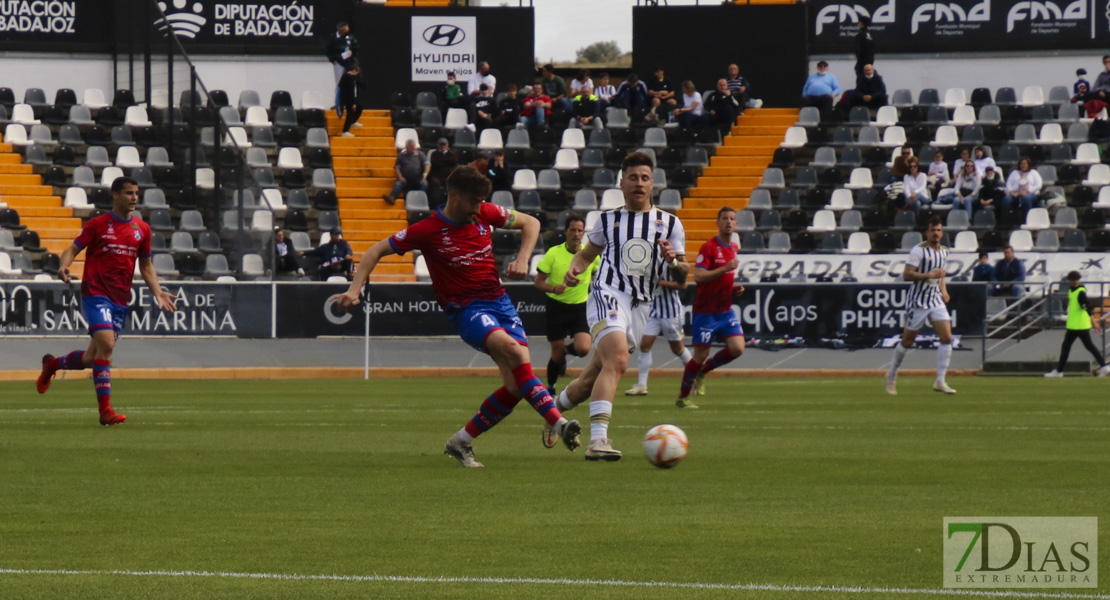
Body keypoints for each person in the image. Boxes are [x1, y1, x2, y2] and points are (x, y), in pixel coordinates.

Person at [336, 166, 582, 467]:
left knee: (517, 386)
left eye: (482, 202)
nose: (479, 208)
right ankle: (559, 422)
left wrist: (522, 258)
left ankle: (461, 442)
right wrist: (354, 289)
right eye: (474, 201)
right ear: (455, 196)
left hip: (501, 304)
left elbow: (530, 222)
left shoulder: (483, 212)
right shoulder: (426, 230)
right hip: (467, 309)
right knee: (516, 353)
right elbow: (375, 250)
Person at [545, 152, 688, 461]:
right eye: (633, 177)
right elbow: (585, 255)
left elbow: (683, 276)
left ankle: (552, 413)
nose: (639, 183)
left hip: (641, 306)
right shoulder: (608, 220)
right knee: (619, 359)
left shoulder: (670, 224)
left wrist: (673, 260)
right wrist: (575, 269)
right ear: (621, 182)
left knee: (589, 381)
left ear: (653, 184)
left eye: (645, 178)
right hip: (608, 293)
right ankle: (598, 441)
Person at [36, 177, 178, 425]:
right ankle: (105, 411)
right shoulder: (98, 224)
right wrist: (64, 265)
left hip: (120, 297)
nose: (134, 197)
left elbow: (145, 265)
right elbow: (72, 249)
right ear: (115, 195)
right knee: (108, 344)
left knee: (94, 357)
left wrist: (157, 291)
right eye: (129, 193)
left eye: (136, 193)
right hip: (95, 292)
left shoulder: (142, 229)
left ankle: (52, 364)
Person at [674, 206, 744, 408]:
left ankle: (703, 371)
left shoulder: (733, 248)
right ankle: (683, 397)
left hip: (725, 310)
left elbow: (724, 278)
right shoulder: (709, 247)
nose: (729, 222)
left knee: (737, 348)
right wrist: (724, 268)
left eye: (732, 219)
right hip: (705, 312)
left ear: (736, 224)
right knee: (699, 355)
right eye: (724, 218)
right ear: (718, 222)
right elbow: (698, 276)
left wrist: (734, 288)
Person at [885, 216, 956, 396]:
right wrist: (929, 275)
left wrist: (943, 290)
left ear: (942, 232)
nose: (935, 233)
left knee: (947, 337)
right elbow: (907, 275)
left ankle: (940, 380)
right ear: (927, 232)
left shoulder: (945, 251)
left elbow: (940, 274)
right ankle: (892, 373)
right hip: (918, 300)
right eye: (932, 230)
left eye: (938, 230)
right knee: (907, 341)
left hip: (935, 299)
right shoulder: (919, 250)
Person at [534, 214, 599, 394]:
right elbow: (538, 282)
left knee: (583, 348)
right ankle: (551, 389)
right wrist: (554, 289)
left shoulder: (589, 254)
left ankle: (563, 355)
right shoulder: (554, 253)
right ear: (565, 232)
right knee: (556, 353)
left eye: (580, 230)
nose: (576, 234)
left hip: (580, 307)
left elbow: (596, 274)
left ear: (583, 233)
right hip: (556, 307)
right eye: (573, 230)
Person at [624, 248, 693, 397]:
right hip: (652, 309)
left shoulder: (673, 258)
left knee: (677, 348)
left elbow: (683, 285)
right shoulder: (645, 255)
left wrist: (660, 283)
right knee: (645, 344)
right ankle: (642, 385)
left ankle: (694, 376)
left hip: (670, 311)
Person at [1045, 271, 1110, 378]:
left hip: (1079, 325)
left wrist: (1094, 321)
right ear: (1070, 280)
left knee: (1068, 347)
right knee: (1087, 346)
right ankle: (1104, 367)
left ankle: (1059, 371)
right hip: (1074, 324)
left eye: (1077, 279)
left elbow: (1087, 308)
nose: (1075, 281)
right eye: (1073, 280)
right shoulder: (1072, 291)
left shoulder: (1080, 292)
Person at [325, 21, 358, 117]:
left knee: (351, 84)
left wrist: (352, 52)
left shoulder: (351, 37)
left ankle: (350, 103)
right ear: (341, 30)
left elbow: (356, 47)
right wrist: (333, 60)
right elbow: (328, 51)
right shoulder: (333, 38)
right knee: (339, 84)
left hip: (349, 63)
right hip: (339, 63)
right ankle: (338, 104)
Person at [382, 139, 429, 206]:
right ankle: (392, 197)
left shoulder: (420, 154)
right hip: (405, 178)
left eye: (414, 146)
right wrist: (400, 177)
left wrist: (424, 176)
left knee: (425, 184)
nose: (413, 147)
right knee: (398, 184)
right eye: (411, 146)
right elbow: (397, 167)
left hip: (418, 178)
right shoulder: (401, 155)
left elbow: (427, 164)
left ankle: (417, 199)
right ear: (406, 147)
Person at [337, 61, 364, 138]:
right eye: (356, 73)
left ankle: (353, 121)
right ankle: (345, 131)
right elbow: (349, 91)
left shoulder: (349, 77)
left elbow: (361, 85)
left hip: (349, 98)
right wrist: (352, 103)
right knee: (350, 113)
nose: (356, 75)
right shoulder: (348, 78)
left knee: (359, 108)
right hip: (347, 99)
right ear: (354, 71)